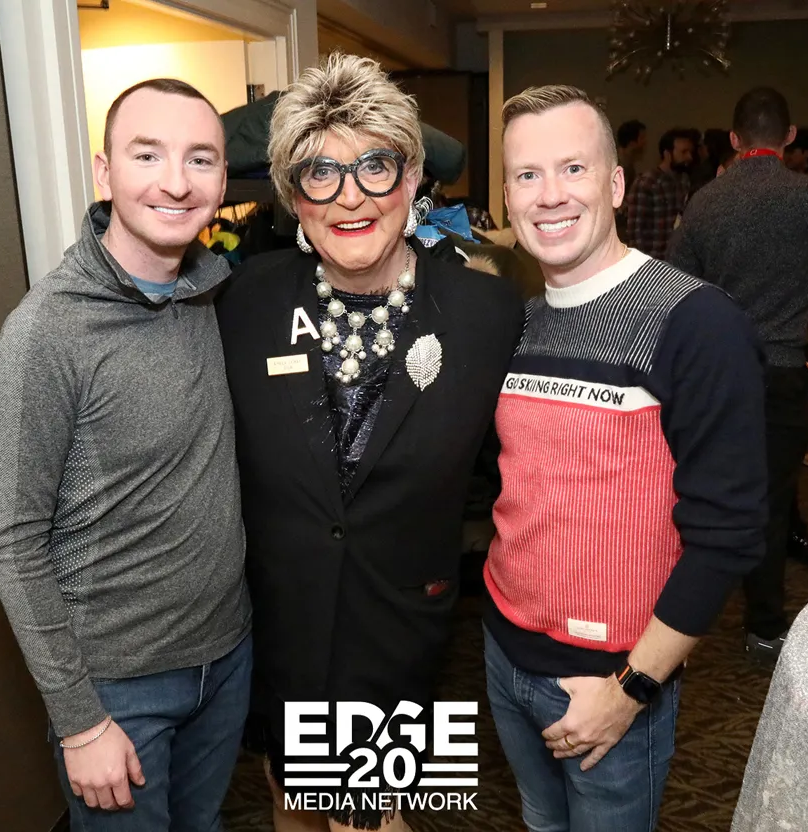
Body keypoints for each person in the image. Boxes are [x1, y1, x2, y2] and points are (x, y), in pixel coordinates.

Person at [216, 53, 524, 832]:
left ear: (413, 177)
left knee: (373, 820)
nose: (349, 196)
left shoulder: (487, 311)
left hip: (402, 630)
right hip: (283, 624)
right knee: (291, 800)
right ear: (293, 196)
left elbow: (536, 474)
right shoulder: (245, 300)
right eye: (320, 173)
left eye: (375, 167)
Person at [485, 84, 766, 832]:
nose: (550, 195)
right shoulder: (518, 324)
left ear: (614, 185)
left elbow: (729, 533)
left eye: (573, 169)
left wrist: (633, 687)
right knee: (540, 822)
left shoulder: (694, 321)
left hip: (611, 678)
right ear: (508, 197)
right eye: (527, 175)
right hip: (504, 653)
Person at [0, 79, 251, 829]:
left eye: (200, 159)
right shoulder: (44, 334)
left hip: (227, 655)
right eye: (147, 155)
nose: (176, 182)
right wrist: (79, 721)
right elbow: (10, 543)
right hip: (118, 690)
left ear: (222, 181)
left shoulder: (211, 292)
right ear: (104, 172)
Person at [667, 87, 808, 661]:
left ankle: (679, 621)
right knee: (770, 501)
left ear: (734, 139)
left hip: (717, 376)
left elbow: (672, 285)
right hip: (782, 373)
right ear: (788, 137)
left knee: (711, 495)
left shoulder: (706, 201)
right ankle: (763, 626)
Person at [625, 127, 694, 259]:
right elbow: (636, 233)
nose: (689, 157)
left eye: (690, 152)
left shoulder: (684, 181)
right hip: (653, 261)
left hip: (677, 261)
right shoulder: (647, 183)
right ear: (667, 154)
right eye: (683, 152)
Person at [615, 119, 647, 242]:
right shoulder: (615, 163)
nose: (645, 142)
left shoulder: (629, 164)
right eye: (642, 138)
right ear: (632, 141)